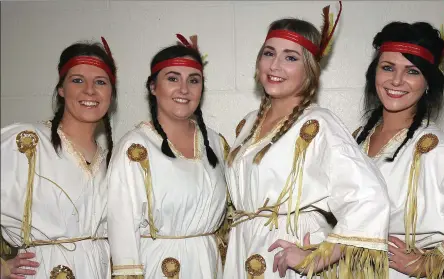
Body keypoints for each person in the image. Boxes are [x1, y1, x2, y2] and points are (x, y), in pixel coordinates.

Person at [223, 3, 392, 278]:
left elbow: (370, 198)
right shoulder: (247, 124)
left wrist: (318, 258)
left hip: (285, 258)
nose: (275, 65)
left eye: (290, 57)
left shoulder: (319, 124)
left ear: (310, 69)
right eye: (269, 53)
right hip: (243, 253)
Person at [353, 2, 444, 278]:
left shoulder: (440, 151)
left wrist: (429, 265)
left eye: (412, 71)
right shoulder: (354, 142)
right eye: (388, 67)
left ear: (428, 83)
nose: (396, 80)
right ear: (374, 73)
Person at [107, 35, 229, 279]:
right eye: (172, 78)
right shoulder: (135, 148)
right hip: (158, 266)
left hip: (208, 264)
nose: (184, 89)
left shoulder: (216, 143)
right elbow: (121, 226)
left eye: (193, 80)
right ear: (153, 87)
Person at [1, 38, 117, 279]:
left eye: (100, 82)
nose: (90, 90)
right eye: (77, 80)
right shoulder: (26, 143)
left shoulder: (112, 161)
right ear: (61, 89)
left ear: (111, 93)